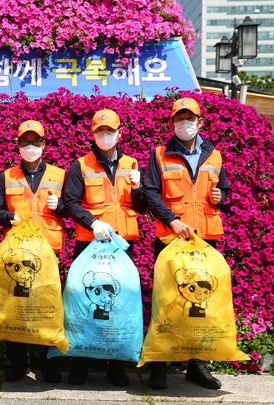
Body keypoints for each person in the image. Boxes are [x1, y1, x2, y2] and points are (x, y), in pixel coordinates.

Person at [143, 97, 230, 390]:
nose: (184, 123)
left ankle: (197, 366)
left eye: (189, 118)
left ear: (200, 122)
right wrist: (172, 220)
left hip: (205, 241)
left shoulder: (215, 155)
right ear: (172, 123)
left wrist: (222, 198)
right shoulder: (159, 155)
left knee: (200, 303)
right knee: (167, 302)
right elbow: (151, 194)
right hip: (171, 239)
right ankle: (159, 367)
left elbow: (224, 191)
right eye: (179, 119)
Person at [62, 108, 147, 386]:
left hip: (122, 247)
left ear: (119, 133)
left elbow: (143, 207)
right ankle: (80, 364)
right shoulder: (80, 165)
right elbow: (71, 203)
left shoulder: (132, 164)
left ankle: (117, 366)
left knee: (120, 303)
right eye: (100, 131)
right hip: (90, 246)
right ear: (93, 134)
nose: (105, 135)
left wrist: (137, 189)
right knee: (85, 302)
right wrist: (92, 222)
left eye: (110, 131)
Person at [0, 120, 66, 384]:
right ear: (18, 145)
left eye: (35, 141)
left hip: (47, 252)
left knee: (48, 308)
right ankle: (18, 362)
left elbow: (75, 207)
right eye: (25, 141)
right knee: (16, 308)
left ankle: (48, 363)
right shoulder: (6, 176)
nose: (30, 146)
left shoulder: (60, 174)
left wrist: (61, 205)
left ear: (44, 144)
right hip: (18, 254)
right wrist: (6, 212)